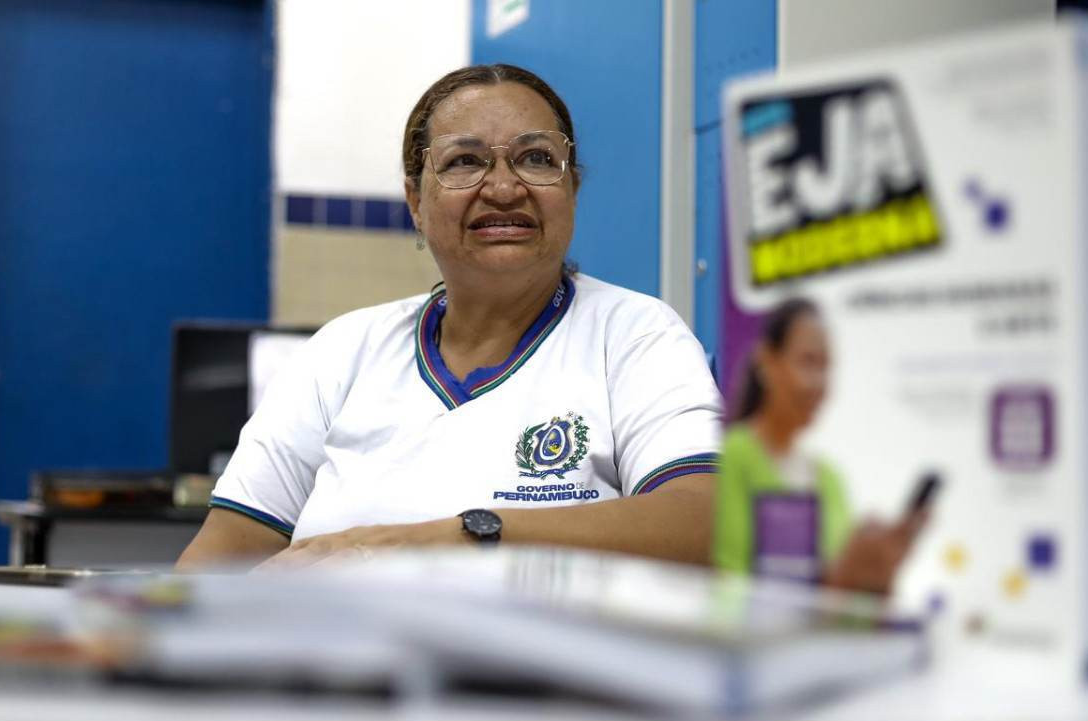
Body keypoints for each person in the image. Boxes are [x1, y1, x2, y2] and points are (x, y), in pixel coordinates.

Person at [176, 64, 722, 571]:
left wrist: (448, 538)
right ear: (416, 201)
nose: (505, 188)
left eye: (536, 159)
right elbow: (219, 562)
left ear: (572, 189)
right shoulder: (341, 351)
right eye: (465, 161)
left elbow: (708, 522)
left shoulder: (635, 335)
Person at [714, 298, 924, 593]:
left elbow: (845, 602)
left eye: (826, 367)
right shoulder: (737, 454)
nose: (819, 383)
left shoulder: (829, 477)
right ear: (767, 362)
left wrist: (875, 567)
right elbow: (730, 580)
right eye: (808, 362)